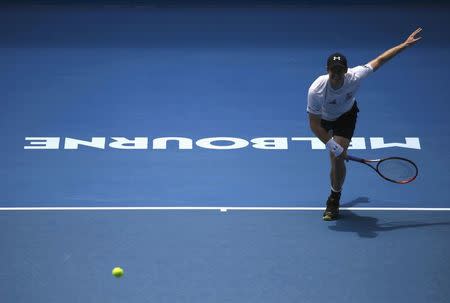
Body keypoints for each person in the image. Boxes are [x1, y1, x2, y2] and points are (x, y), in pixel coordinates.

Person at [307, 28, 422, 221]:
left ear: (345, 70)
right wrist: (333, 146)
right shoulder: (317, 90)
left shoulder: (356, 75)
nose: (336, 74)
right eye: (333, 71)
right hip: (324, 119)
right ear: (327, 71)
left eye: (339, 70)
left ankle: (334, 198)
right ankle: (336, 186)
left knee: (337, 159)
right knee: (335, 152)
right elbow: (314, 125)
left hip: (346, 116)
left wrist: (404, 45)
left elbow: (380, 60)